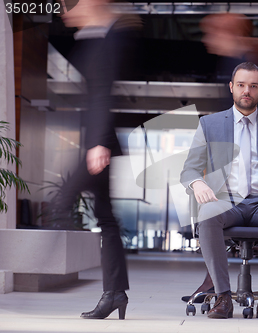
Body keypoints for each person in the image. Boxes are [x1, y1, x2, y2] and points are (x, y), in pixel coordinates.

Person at [180, 62, 258, 320]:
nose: (246, 91)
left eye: (252, 86)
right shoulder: (210, 124)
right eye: (241, 85)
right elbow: (189, 170)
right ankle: (223, 296)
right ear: (231, 88)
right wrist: (198, 183)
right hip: (225, 201)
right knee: (207, 214)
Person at [54, 0, 141, 319]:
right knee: (105, 218)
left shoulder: (108, 37)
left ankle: (110, 290)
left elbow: (102, 94)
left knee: (60, 204)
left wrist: (97, 144)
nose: (64, 10)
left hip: (99, 144)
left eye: (70, 3)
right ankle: (115, 293)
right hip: (98, 142)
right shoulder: (95, 35)